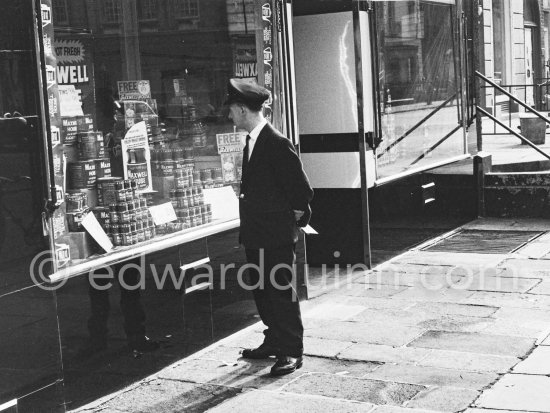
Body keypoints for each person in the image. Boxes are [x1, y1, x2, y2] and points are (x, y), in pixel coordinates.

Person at [225, 78, 314, 376]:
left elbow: (301, 190)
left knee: (279, 291)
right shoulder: (252, 140)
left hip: (274, 234)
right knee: (263, 291)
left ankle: (291, 350)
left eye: (232, 110)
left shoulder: (276, 142)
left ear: (241, 109)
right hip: (257, 233)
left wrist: (293, 221)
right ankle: (274, 339)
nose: (229, 116)